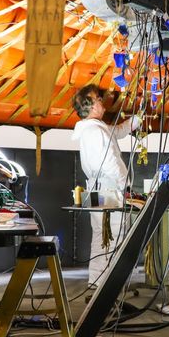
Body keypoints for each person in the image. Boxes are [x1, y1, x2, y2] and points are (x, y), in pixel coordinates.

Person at [71, 84, 140, 289]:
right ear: (90, 105)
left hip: (96, 189)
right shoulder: (95, 132)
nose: (102, 102)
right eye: (98, 99)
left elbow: (118, 131)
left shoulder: (93, 129)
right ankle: (110, 284)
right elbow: (111, 162)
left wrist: (137, 119)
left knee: (101, 235)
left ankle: (97, 280)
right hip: (109, 189)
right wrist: (125, 185)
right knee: (115, 234)